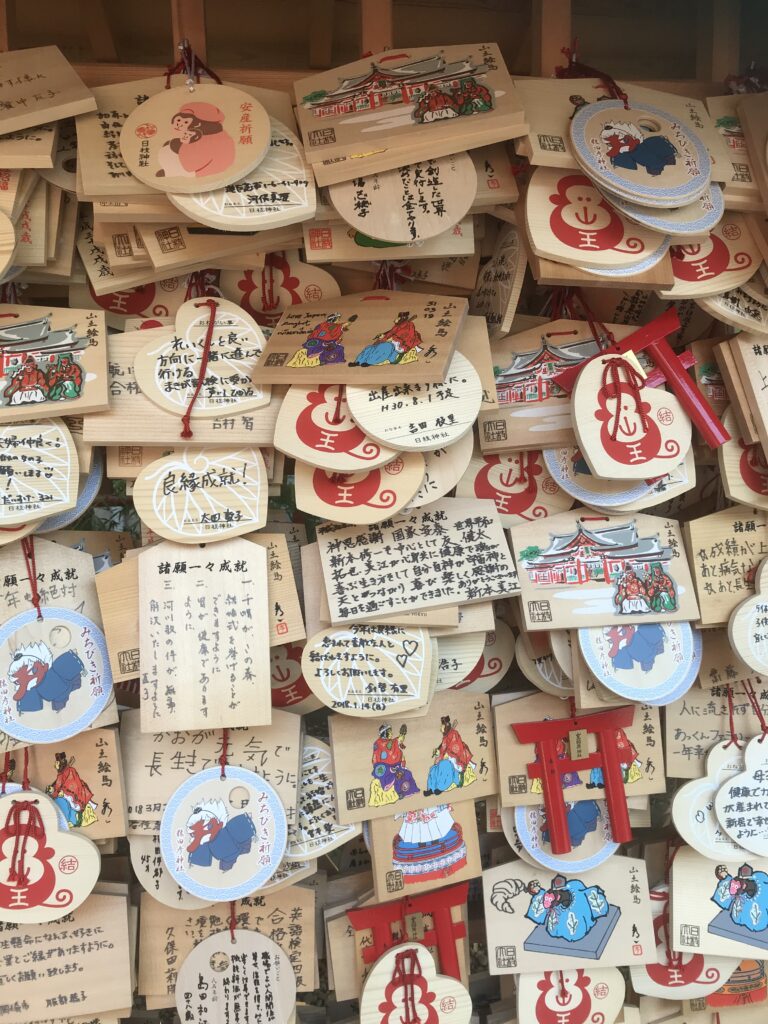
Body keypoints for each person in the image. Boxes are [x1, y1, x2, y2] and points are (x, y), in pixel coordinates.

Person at [156, 102, 236, 179]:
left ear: (198, 124)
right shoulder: (205, 134)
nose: (179, 125)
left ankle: (171, 172)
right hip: (198, 165)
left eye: (185, 122)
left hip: (199, 171)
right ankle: (170, 171)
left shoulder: (205, 139)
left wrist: (179, 146)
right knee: (170, 146)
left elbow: (191, 165)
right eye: (178, 120)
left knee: (168, 149)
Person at [525, 874, 610, 941]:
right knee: (556, 923)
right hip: (559, 906)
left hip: (573, 903)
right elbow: (546, 902)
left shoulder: (576, 890)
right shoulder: (552, 899)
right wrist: (538, 892)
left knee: (575, 923)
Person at [423, 716, 476, 796]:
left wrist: (446, 753)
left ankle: (440, 787)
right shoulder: (445, 736)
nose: (441, 729)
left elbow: (456, 746)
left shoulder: (454, 733)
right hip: (446, 756)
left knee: (445, 765)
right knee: (433, 769)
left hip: (455, 758)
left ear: (446, 726)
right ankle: (431, 788)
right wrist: (438, 753)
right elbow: (443, 748)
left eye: (442, 726)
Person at [349, 312, 423, 367]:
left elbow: (407, 336)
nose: (395, 319)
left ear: (402, 319)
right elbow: (390, 333)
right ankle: (358, 361)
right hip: (390, 341)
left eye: (398, 318)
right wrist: (383, 337)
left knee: (385, 347)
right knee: (370, 347)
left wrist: (392, 339)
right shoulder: (397, 326)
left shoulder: (409, 325)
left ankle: (370, 362)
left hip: (399, 344)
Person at [370, 724, 419, 806]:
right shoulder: (377, 743)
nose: (392, 733)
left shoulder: (392, 742)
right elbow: (375, 757)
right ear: (385, 733)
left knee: (405, 774)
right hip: (383, 766)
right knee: (389, 773)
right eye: (390, 732)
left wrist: (402, 734)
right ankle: (391, 786)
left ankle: (403, 792)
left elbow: (399, 739)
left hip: (396, 765)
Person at [287, 312, 358, 368]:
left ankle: (319, 357)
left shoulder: (321, 324)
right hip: (322, 341)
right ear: (334, 320)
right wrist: (350, 321)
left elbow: (315, 332)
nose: (338, 320)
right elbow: (344, 325)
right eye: (337, 319)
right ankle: (322, 358)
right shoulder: (335, 326)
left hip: (314, 340)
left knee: (332, 347)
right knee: (335, 348)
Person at [47, 752, 97, 828]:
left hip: (74, 794)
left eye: (57, 762)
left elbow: (73, 784)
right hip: (64, 794)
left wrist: (63, 793)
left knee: (61, 801)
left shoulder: (70, 770)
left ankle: (71, 820)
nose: (55, 764)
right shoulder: (61, 774)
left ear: (60, 763)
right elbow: (58, 787)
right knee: (57, 801)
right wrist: (52, 790)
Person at [712, 864, 768, 933]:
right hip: (743, 897)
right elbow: (733, 887)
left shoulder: (761, 881)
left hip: (757, 897)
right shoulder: (738, 883)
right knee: (738, 913)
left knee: (757, 919)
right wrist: (725, 878)